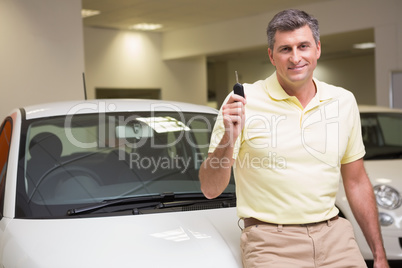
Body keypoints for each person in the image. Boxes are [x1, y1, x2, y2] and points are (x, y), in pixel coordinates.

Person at [199, 9, 389, 268]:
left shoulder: (343, 101)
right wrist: (228, 138)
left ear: (318, 49)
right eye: (285, 49)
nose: (296, 57)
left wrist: (379, 256)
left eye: (303, 46)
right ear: (271, 55)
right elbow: (210, 189)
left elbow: (356, 182)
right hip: (270, 243)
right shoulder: (243, 102)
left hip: (335, 236)